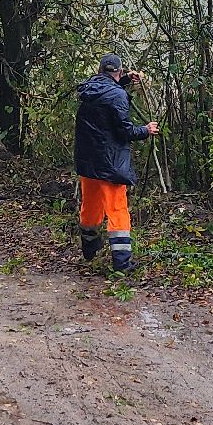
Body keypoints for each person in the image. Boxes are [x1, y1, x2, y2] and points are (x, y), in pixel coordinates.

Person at [73, 54, 159, 271]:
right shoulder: (118, 95)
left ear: (100, 70)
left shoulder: (88, 88)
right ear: (118, 72)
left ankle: (90, 249)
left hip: (88, 162)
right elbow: (125, 131)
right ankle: (122, 263)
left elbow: (105, 93)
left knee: (90, 207)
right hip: (110, 163)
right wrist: (146, 130)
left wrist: (126, 79)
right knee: (117, 209)